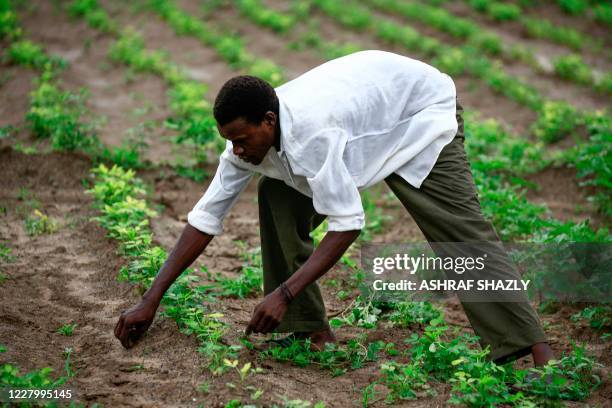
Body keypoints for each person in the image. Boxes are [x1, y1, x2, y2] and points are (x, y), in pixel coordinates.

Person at [114, 50, 554, 366]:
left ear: (268, 121)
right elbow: (205, 219)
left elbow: (348, 224)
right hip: (365, 115)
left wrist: (282, 293)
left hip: (417, 110)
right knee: (277, 195)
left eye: (241, 138)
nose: (236, 148)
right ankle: (311, 329)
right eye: (229, 139)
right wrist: (151, 300)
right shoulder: (248, 144)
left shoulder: (311, 138)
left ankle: (535, 350)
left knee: (457, 229)